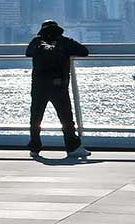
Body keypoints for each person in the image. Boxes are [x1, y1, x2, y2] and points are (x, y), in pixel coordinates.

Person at [25, 20, 90, 159]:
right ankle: (72, 147)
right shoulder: (65, 42)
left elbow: (28, 53)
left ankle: (34, 148)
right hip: (58, 86)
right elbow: (84, 51)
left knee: (36, 118)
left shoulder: (36, 42)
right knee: (66, 118)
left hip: (39, 86)